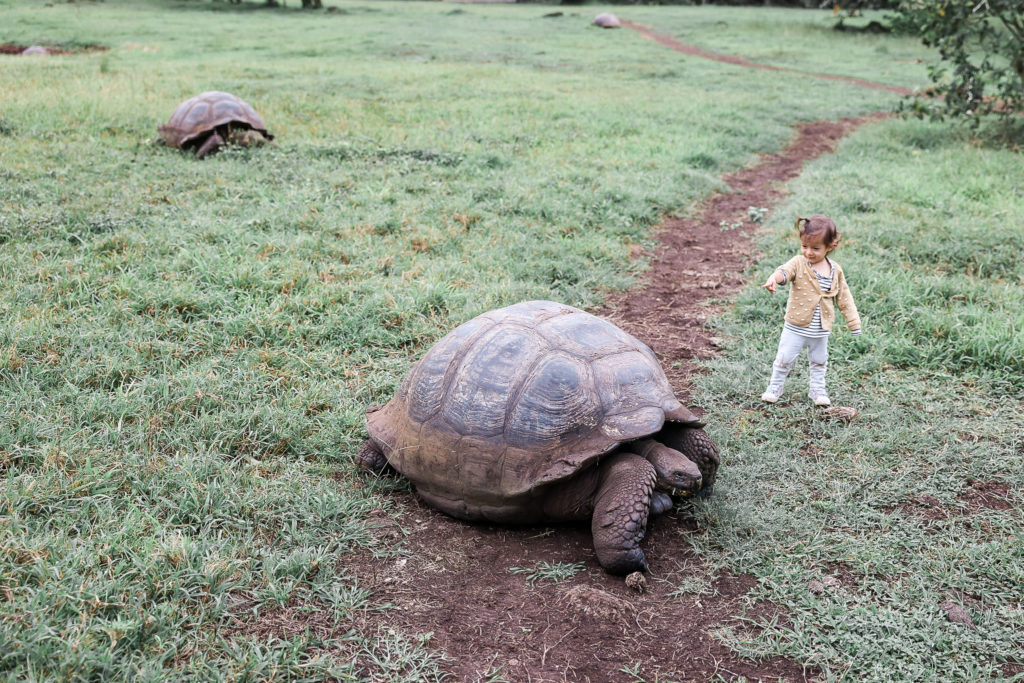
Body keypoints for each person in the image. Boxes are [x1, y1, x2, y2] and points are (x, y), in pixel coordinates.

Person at [761, 214, 861, 406]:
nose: (808, 252)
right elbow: (785, 271)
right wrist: (774, 278)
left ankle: (817, 390)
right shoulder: (799, 263)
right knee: (784, 358)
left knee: (819, 361)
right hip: (795, 326)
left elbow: (844, 297)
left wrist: (853, 322)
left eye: (815, 248)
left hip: (821, 329)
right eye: (804, 246)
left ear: (830, 246)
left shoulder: (835, 270)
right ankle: (775, 386)